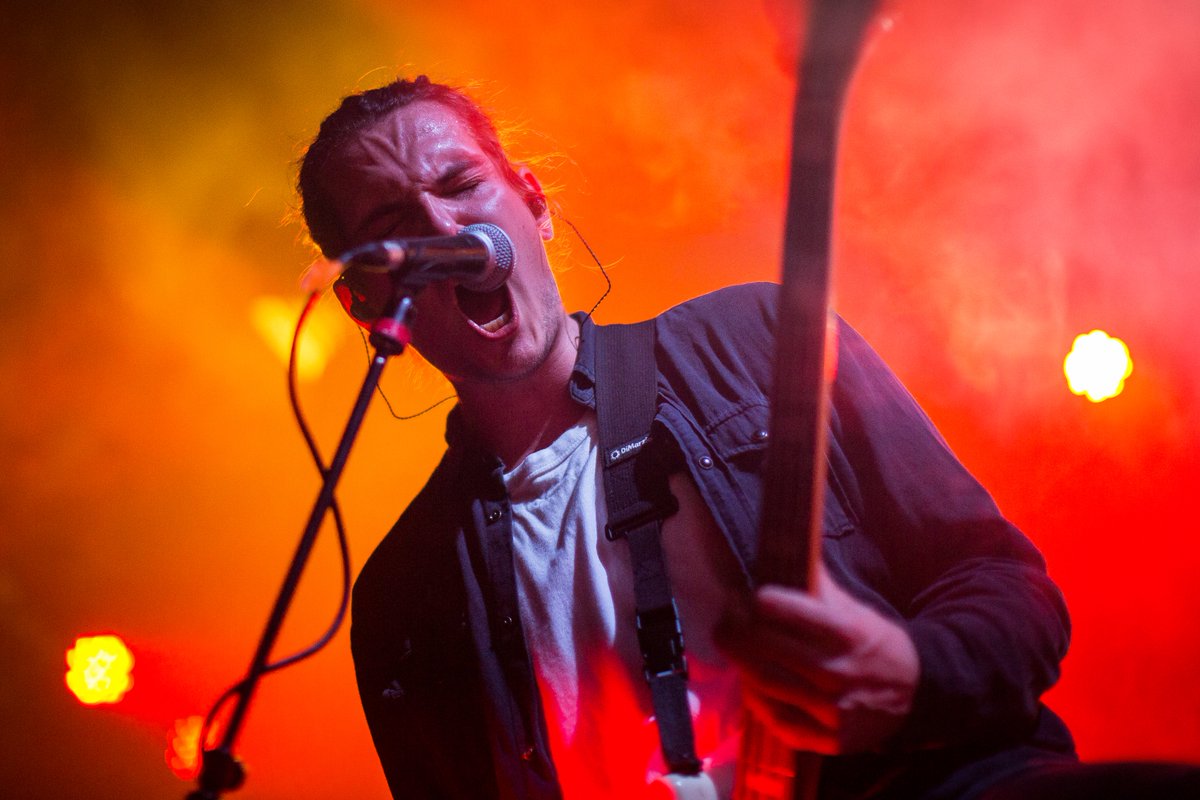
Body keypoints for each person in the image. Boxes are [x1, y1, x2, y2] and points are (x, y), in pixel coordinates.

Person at [296, 77, 1193, 800]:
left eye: (461, 187)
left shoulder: (757, 340)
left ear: (532, 203)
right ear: (370, 302)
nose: (447, 230)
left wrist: (915, 672)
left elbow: (1005, 586)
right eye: (395, 230)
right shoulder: (401, 600)